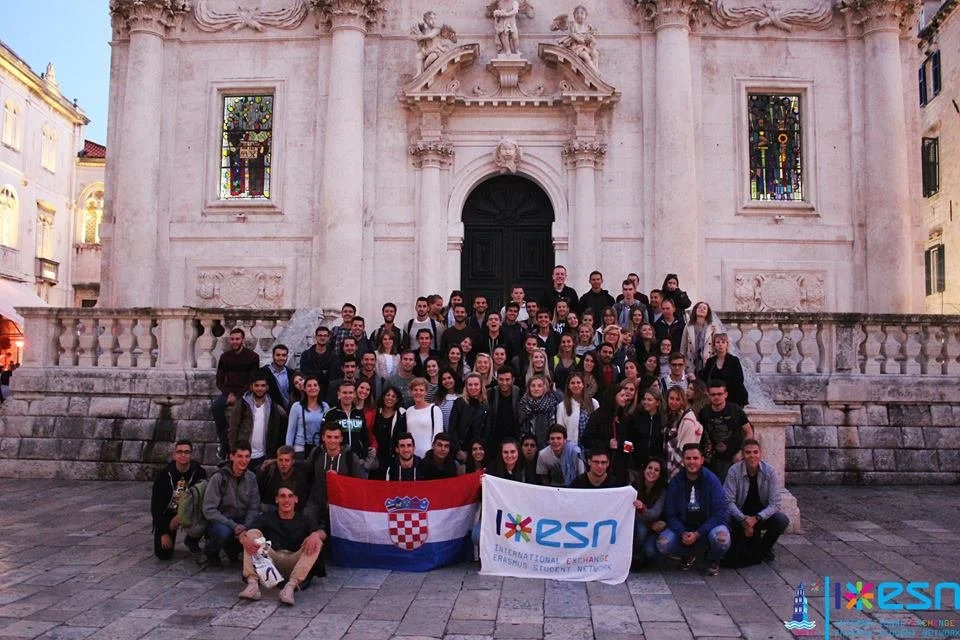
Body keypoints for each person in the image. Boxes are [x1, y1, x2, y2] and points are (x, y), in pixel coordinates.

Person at [238, 483, 324, 606]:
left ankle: (290, 588)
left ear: (296, 499)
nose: (286, 500)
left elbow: (322, 532)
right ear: (277, 499)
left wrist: (316, 535)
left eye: (290, 496)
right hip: (271, 560)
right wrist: (244, 539)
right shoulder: (267, 517)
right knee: (251, 535)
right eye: (282, 496)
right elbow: (246, 533)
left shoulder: (305, 519)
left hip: (294, 562)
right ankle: (252, 585)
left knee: (317, 541)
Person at [657, 444, 730, 576]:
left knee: (722, 539)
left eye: (695, 458)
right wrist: (682, 532)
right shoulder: (675, 482)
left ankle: (713, 560)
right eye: (688, 458)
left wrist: (698, 533)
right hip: (684, 527)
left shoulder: (712, 481)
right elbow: (671, 514)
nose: (692, 462)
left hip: (708, 527)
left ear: (702, 460)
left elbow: (720, 513)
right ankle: (687, 555)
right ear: (683, 460)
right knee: (663, 544)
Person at [723, 439, 789, 566]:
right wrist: (743, 520)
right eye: (748, 452)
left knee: (782, 520)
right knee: (724, 517)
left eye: (755, 452)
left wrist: (757, 518)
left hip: (761, 515)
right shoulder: (734, 471)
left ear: (760, 453)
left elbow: (775, 504)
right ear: (743, 455)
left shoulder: (770, 472)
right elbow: (728, 501)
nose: (752, 456)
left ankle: (764, 549)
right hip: (740, 514)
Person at [202, 440, 261, 567]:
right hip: (223, 520)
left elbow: (254, 507)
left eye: (247, 457)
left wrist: (246, 526)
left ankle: (233, 550)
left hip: (242, 521)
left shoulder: (251, 478)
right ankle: (211, 552)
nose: (243, 460)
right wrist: (233, 526)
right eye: (240, 456)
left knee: (261, 524)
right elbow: (209, 509)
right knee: (223, 532)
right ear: (232, 456)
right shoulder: (218, 478)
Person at [303, 420, 363, 533]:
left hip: (341, 503)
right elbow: (305, 468)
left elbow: (359, 484)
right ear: (323, 437)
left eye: (336, 437)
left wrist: (339, 480)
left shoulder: (350, 457)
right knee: (307, 518)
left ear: (341, 439)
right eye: (329, 437)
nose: (332, 441)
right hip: (317, 501)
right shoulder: (316, 453)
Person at [150, 439, 206, 559]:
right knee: (163, 554)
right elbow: (156, 507)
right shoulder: (164, 475)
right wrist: (163, 532)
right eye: (179, 452)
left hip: (191, 512)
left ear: (191, 455)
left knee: (205, 518)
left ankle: (192, 539)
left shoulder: (199, 473)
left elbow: (203, 499)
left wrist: (181, 515)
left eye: (187, 452)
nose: (183, 455)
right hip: (169, 513)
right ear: (174, 455)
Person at [212, 328, 261, 459]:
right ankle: (223, 441)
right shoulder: (225, 357)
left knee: (238, 416)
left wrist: (237, 395)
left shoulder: (252, 357)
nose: (234, 342)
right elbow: (219, 380)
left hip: (245, 393)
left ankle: (231, 446)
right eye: (232, 339)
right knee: (216, 407)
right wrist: (228, 394)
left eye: (237, 339)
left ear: (243, 340)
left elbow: (252, 381)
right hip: (228, 392)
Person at [229, 371, 288, 471]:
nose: (260, 388)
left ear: (267, 387)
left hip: (263, 456)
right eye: (256, 385)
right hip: (243, 455)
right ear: (251, 387)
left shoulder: (273, 407)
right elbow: (233, 429)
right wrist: (233, 451)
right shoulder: (242, 404)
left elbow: (275, 432)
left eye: (263, 385)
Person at [699, 380, 754, 482]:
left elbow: (749, 432)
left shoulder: (735, 410)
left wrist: (742, 452)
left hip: (735, 458)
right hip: (714, 460)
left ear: (726, 394)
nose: (716, 397)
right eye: (713, 394)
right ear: (709, 396)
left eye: (719, 394)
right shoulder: (704, 413)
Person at [583, 381, 636, 485]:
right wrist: (607, 444)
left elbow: (625, 440)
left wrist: (628, 447)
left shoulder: (624, 417)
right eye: (622, 395)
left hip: (620, 467)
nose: (625, 398)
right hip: (601, 467)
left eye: (625, 395)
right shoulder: (597, 416)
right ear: (613, 397)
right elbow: (586, 440)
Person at [324, 380, 373, 467]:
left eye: (350, 392)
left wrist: (363, 456)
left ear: (354, 394)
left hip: (357, 458)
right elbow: (324, 437)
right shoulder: (330, 414)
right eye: (344, 392)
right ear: (339, 394)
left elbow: (364, 436)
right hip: (337, 459)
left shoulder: (359, 413)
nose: (347, 395)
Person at [633, 457, 668, 566]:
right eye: (650, 468)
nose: (652, 471)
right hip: (638, 526)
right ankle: (635, 557)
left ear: (660, 474)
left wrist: (642, 509)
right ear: (644, 470)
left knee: (650, 552)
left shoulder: (663, 491)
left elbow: (655, 514)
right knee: (641, 529)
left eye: (656, 470)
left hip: (654, 529)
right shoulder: (633, 486)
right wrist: (649, 524)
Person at [663, 386, 704, 478]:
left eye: (678, 399)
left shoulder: (688, 419)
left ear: (683, 400)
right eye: (671, 398)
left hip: (679, 464)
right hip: (667, 459)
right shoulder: (669, 414)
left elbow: (685, 448)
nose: (673, 402)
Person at [698, 333, 749, 407]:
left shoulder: (734, 360)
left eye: (723, 342)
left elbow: (739, 379)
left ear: (727, 344)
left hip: (733, 397)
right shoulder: (710, 361)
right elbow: (706, 378)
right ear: (714, 345)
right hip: (715, 397)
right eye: (718, 342)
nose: (720, 345)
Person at [449, 373, 490, 463]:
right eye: (470, 385)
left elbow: (487, 430)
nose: (473, 387)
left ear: (481, 386)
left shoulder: (486, 405)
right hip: (461, 449)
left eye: (476, 384)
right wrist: (458, 450)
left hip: (479, 452)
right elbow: (452, 428)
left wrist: (481, 450)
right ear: (466, 386)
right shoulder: (459, 403)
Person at [257, 446, 311, 512]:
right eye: (280, 460)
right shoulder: (270, 472)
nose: (283, 464)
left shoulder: (299, 478)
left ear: (293, 461)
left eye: (287, 460)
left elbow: (300, 504)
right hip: (267, 513)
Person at [286, 375, 328, 459]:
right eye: (309, 385)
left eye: (315, 385)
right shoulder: (296, 406)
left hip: (319, 448)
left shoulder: (325, 406)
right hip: (300, 448)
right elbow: (290, 431)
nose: (312, 388)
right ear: (304, 389)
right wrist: (288, 452)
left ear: (319, 388)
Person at [555, 372, 597, 450]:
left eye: (578, 382)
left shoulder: (594, 403)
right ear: (568, 386)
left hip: (591, 447)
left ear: (583, 385)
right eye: (572, 383)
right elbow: (560, 429)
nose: (576, 385)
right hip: (572, 448)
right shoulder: (562, 406)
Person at [405, 377, 445, 458]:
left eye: (421, 390)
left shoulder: (435, 409)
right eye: (415, 390)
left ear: (426, 392)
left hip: (429, 456)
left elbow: (438, 434)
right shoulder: (409, 411)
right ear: (411, 392)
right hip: (412, 456)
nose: (418, 392)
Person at [518, 374, 562, 448]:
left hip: (547, 444)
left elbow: (554, 426)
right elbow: (521, 427)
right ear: (529, 388)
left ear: (544, 388)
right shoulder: (523, 403)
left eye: (539, 386)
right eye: (533, 386)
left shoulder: (551, 403)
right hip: (528, 445)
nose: (536, 389)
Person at [372, 386, 407, 476]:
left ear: (397, 399)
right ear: (383, 397)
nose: (390, 398)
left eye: (393, 396)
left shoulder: (402, 414)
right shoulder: (376, 413)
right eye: (388, 395)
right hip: (375, 457)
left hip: (393, 458)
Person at [680, 302, 716, 380]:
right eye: (699, 307)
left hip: (708, 365)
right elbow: (683, 349)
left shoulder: (713, 327)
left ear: (707, 313)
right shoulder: (688, 326)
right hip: (691, 364)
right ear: (695, 310)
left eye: (704, 308)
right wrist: (687, 369)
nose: (701, 309)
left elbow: (717, 347)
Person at [488, 366, 521, 449]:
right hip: (495, 439)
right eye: (501, 379)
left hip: (515, 438)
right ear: (497, 379)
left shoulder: (519, 393)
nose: (504, 383)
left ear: (513, 380)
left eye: (507, 379)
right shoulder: (491, 394)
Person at [634, 389, 665, 473]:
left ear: (658, 403)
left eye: (649, 400)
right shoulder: (636, 417)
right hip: (637, 464)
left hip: (656, 465)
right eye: (644, 399)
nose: (645, 402)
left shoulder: (663, 420)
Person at [300, 326, 334, 393]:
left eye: (325, 335)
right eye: (320, 335)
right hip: (310, 390)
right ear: (315, 337)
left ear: (328, 337)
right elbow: (304, 372)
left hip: (327, 391)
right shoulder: (306, 355)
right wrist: (322, 373)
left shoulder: (333, 356)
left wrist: (314, 373)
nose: (322, 338)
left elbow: (332, 375)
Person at [262, 344, 294, 410]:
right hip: (271, 412)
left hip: (290, 411)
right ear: (273, 356)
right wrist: (276, 406)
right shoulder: (263, 372)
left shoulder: (291, 373)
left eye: (284, 355)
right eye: (278, 355)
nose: (281, 358)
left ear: (287, 356)